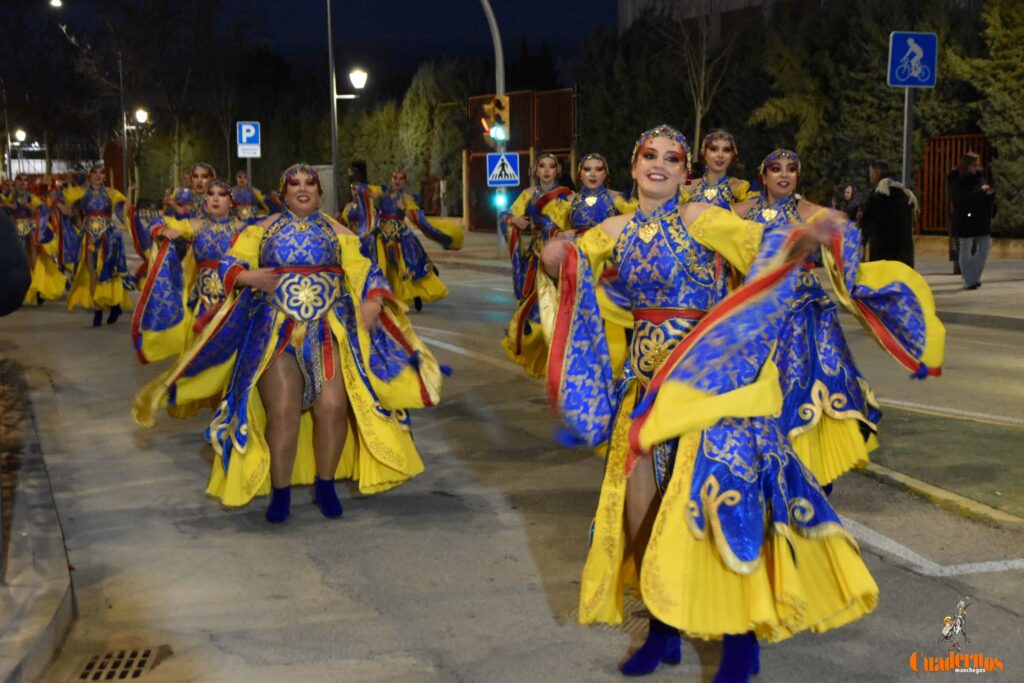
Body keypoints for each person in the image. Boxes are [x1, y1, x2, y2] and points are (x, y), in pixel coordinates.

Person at [541, 126, 886, 681]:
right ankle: (663, 631)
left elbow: (758, 245)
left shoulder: (700, 218)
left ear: (684, 171)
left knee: (721, 511)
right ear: (633, 168)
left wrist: (809, 235)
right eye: (649, 156)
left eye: (671, 158)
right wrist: (554, 255)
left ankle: (740, 641)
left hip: (708, 385)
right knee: (641, 514)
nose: (659, 164)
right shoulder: (612, 228)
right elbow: (569, 263)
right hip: (645, 391)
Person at [133, 164, 444, 524]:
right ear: (282, 192)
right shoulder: (260, 231)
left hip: (327, 331)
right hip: (274, 332)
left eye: (309, 183)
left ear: (319, 192)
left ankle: (325, 485)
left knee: (332, 406)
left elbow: (366, 269)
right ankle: (280, 493)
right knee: (282, 410)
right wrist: (249, 276)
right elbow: (229, 265)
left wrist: (373, 300)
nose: (302, 189)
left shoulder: (337, 231)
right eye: (293, 183)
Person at [132, 180, 250, 378]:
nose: (214, 198)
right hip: (201, 304)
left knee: (231, 367)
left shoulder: (245, 228)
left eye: (221, 195)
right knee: (198, 363)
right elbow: (157, 223)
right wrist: (163, 231)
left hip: (233, 305)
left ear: (231, 202)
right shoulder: (195, 225)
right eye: (211, 194)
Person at [499, 153, 572, 377]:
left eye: (552, 166)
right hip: (535, 260)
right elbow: (506, 215)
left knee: (561, 309)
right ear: (536, 171)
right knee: (532, 310)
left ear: (558, 170)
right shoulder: (528, 195)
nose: (547, 170)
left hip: (559, 261)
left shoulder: (569, 197)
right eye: (542, 166)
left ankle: (560, 358)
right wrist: (514, 220)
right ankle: (538, 351)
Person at [350, 169, 462, 311]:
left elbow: (415, 216)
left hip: (400, 235)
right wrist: (358, 186)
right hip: (382, 234)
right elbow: (368, 191)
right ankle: (383, 295)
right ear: (391, 179)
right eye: (395, 177)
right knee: (382, 266)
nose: (397, 181)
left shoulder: (407, 198)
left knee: (406, 266)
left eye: (400, 179)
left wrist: (408, 211)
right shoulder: (383, 192)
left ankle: (415, 294)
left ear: (405, 181)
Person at [58, 165, 133, 325]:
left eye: (101, 173)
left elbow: (124, 211)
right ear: (89, 175)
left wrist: (130, 192)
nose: (98, 176)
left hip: (109, 237)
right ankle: (98, 310)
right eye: (95, 173)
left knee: (109, 271)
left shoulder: (111, 193)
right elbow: (60, 199)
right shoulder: (81, 191)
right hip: (89, 238)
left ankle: (114, 305)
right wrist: (65, 209)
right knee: (93, 272)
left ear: (104, 176)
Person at [4, 175, 64, 304]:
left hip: (28, 228)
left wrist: (28, 206)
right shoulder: (8, 195)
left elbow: (42, 210)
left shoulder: (30, 197)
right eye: (19, 180)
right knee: (17, 262)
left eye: (25, 181)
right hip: (14, 230)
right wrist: (8, 205)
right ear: (15, 183)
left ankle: (37, 288)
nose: (22, 183)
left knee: (32, 259)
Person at [859, 160, 918, 268]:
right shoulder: (905, 194)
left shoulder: (877, 196)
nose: (869, 175)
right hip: (903, 254)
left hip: (882, 254)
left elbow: (867, 223)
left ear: (876, 174)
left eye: (870, 172)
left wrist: (863, 241)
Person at [949, 152, 994, 290]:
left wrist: (988, 194)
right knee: (965, 247)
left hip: (980, 217)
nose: (977, 168)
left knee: (985, 246)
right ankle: (970, 280)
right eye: (974, 165)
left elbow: (983, 198)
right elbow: (962, 200)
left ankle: (972, 275)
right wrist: (980, 192)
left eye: (978, 164)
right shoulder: (957, 179)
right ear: (967, 165)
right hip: (965, 217)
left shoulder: (979, 177)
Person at [681, 129, 753, 209]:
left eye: (726, 150)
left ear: (732, 155)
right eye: (714, 149)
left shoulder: (739, 189)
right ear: (704, 153)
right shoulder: (687, 189)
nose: (720, 155)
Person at [0, 209, 31, 315]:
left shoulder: (28, 197)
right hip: (15, 222)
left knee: (25, 243)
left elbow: (35, 208)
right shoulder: (11, 197)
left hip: (23, 222)